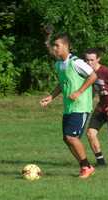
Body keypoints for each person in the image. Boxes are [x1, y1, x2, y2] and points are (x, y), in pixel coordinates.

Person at [40, 31, 97, 178]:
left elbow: (93, 76)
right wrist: (51, 97)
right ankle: (86, 166)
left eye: (57, 45)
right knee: (67, 138)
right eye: (54, 45)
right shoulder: (59, 64)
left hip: (81, 106)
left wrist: (79, 92)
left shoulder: (76, 62)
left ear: (66, 46)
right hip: (69, 107)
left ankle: (86, 167)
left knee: (71, 137)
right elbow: (62, 83)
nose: (55, 48)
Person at [85, 48, 108, 166]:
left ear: (98, 59)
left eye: (92, 60)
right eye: (87, 60)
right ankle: (101, 163)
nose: (89, 63)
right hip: (101, 107)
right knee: (90, 133)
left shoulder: (106, 71)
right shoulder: (88, 73)